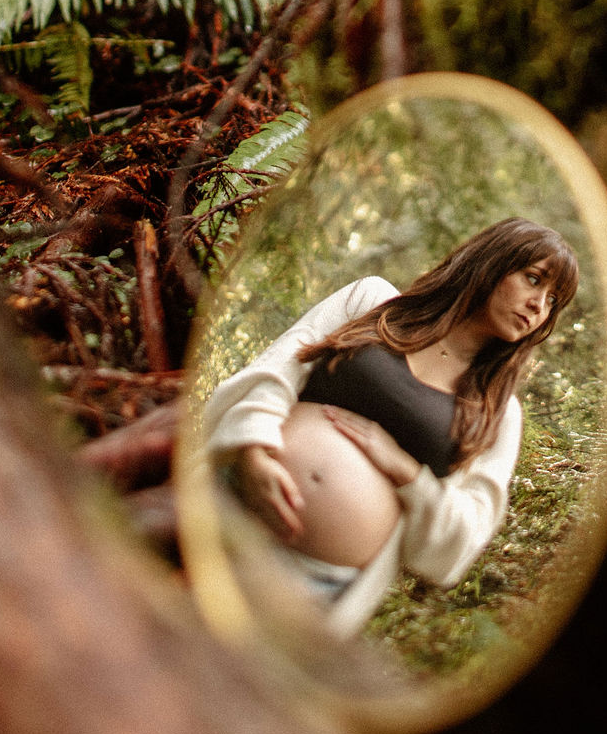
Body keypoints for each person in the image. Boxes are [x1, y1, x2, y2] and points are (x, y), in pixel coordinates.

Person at [204, 218, 580, 636]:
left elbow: (463, 541)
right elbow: (280, 367)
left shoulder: (498, 412)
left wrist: (405, 470)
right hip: (232, 494)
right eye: (533, 279)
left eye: (552, 300)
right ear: (492, 262)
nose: (538, 305)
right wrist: (253, 453)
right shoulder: (375, 302)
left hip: (311, 580)